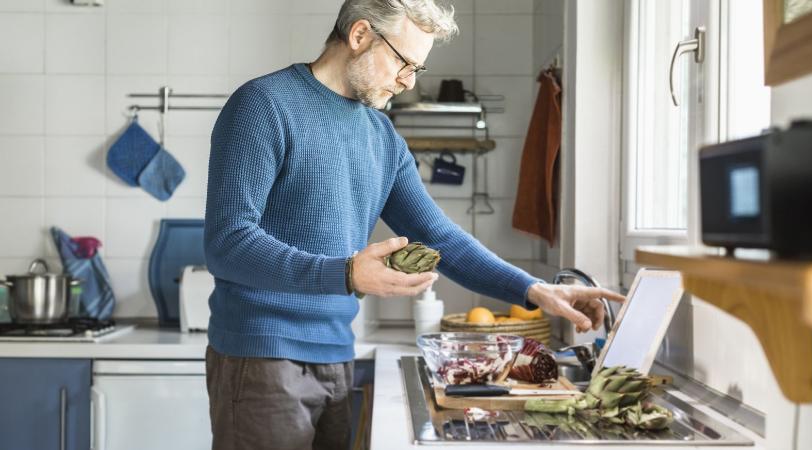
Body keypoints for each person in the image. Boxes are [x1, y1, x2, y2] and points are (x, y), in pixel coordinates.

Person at [203, 1, 624, 449]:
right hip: (262, 356)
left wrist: (537, 291)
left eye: (417, 69)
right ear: (360, 34)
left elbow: (440, 238)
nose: (409, 82)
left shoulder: (382, 137)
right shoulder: (263, 105)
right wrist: (345, 272)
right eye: (404, 62)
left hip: (336, 358)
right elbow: (228, 243)